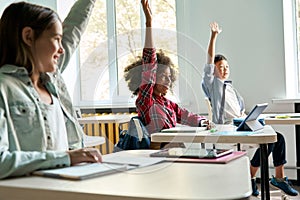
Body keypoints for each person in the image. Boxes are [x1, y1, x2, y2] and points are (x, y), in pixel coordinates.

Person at [0, 0, 102, 180]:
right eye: (56, 39)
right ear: (28, 37)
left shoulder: (51, 83)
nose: (62, 49)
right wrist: (66, 158)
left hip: (61, 189)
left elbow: (74, 31)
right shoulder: (4, 87)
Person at [202, 22, 299, 196]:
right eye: (220, 67)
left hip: (241, 124)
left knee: (278, 138)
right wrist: (213, 36)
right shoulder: (212, 85)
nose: (224, 70)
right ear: (213, 71)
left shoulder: (230, 88)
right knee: (269, 140)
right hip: (228, 128)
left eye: (227, 67)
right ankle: (253, 176)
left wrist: (250, 118)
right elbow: (208, 62)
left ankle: (277, 177)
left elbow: (239, 110)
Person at [124, 0, 210, 149]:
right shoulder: (146, 101)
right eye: (164, 76)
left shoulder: (167, 103)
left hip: (175, 151)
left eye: (170, 77)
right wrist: (149, 23)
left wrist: (203, 121)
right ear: (153, 78)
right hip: (160, 154)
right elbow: (149, 64)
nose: (168, 80)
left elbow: (186, 115)